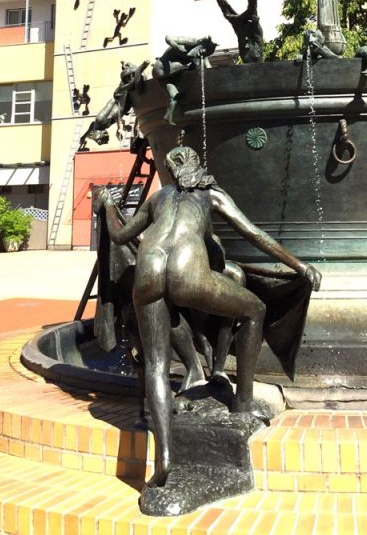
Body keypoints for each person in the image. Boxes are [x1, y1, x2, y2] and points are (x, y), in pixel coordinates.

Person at [105, 145, 321, 489]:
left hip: (148, 267)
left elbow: (118, 235)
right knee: (256, 310)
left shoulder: (158, 198)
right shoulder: (211, 193)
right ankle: (243, 403)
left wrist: (107, 208)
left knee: (157, 366)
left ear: (173, 171)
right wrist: (299, 265)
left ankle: (163, 459)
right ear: (197, 165)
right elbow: (253, 232)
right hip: (186, 270)